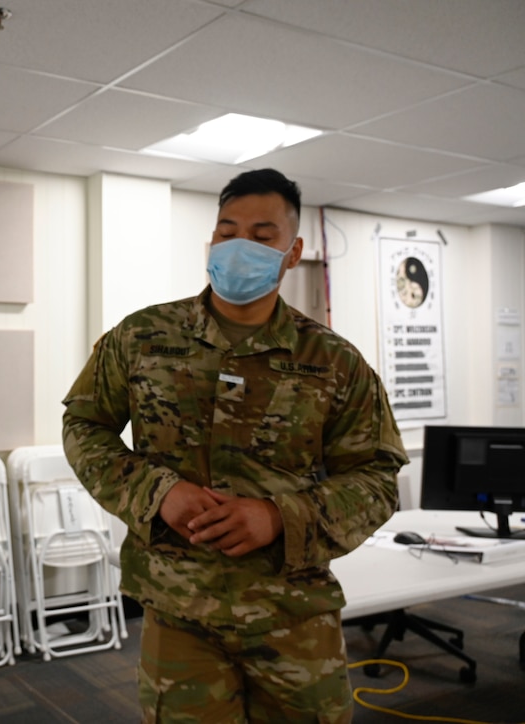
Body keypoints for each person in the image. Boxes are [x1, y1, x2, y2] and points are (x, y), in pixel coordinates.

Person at [62, 168, 407, 723]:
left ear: (292, 253)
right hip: (179, 610)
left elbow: (376, 478)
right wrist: (157, 493)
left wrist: (280, 517)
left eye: (261, 235)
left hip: (292, 611)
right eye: (226, 232)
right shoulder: (142, 337)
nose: (239, 245)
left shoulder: (334, 362)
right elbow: (84, 427)